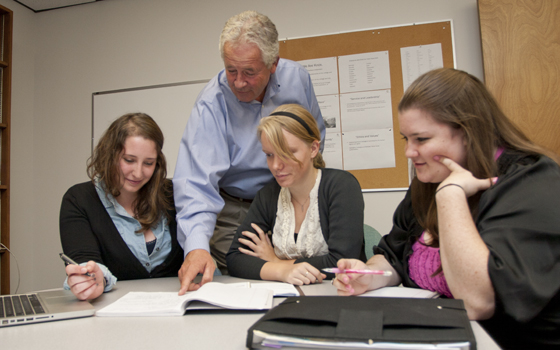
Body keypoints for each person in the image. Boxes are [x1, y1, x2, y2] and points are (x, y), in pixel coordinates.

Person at [333, 68, 560, 349]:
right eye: (406, 139)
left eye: (422, 139)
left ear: (467, 132)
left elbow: (477, 302)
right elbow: (395, 257)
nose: (409, 152)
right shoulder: (428, 180)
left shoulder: (531, 181)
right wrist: (369, 276)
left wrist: (450, 197)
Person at [173, 10, 325, 294]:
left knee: (305, 274)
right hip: (238, 206)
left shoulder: (297, 80)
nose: (239, 82)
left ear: (273, 64)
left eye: (249, 72)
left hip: (293, 195)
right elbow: (195, 183)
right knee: (241, 282)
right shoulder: (212, 103)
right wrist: (196, 247)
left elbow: (315, 137)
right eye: (231, 70)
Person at [226, 104, 365, 284]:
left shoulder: (341, 186)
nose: (276, 166)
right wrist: (282, 271)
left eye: (287, 153)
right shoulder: (268, 195)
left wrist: (276, 262)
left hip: (340, 296)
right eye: (269, 155)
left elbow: (341, 264)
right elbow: (235, 258)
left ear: (313, 149)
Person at [60, 113, 184, 300]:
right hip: (111, 314)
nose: (138, 173)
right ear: (110, 154)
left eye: (148, 163)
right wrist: (92, 278)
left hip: (178, 309)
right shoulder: (79, 200)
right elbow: (85, 260)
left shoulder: (173, 194)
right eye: (129, 160)